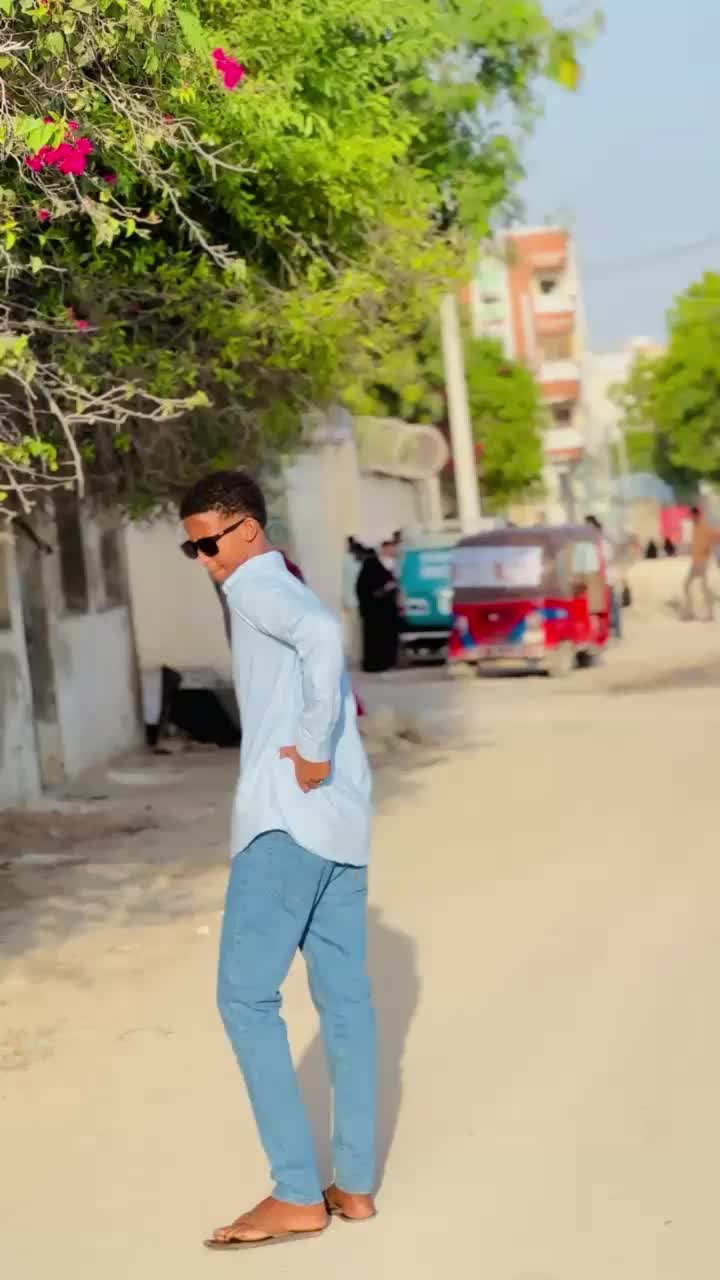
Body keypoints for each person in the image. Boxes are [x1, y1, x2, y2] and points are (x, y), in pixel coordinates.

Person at [179, 471, 377, 1249]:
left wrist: (312, 748)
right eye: (193, 548)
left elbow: (321, 635)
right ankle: (353, 1185)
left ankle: (297, 1192)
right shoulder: (274, 582)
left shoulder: (256, 586)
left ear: (249, 530)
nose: (205, 560)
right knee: (347, 1005)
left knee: (245, 999)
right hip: (340, 828)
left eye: (210, 543)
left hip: (286, 825)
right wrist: (323, 755)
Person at [355, 541, 400, 674]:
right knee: (374, 639)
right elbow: (364, 588)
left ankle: (385, 662)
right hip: (374, 610)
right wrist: (381, 591)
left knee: (385, 637)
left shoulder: (390, 565)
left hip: (384, 610)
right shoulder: (372, 565)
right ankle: (375, 663)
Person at [586, 515, 622, 638]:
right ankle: (604, 631)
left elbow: (608, 560)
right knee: (601, 607)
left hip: (607, 578)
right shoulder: (591, 544)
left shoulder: (603, 543)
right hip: (597, 580)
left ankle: (615, 630)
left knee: (611, 603)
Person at [684, 505, 720, 620]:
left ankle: (709, 614)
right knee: (688, 586)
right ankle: (691, 612)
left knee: (702, 587)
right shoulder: (695, 527)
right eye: (691, 516)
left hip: (702, 562)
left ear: (697, 515)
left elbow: (716, 536)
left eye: (692, 515)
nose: (691, 518)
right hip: (696, 562)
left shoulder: (703, 526)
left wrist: (707, 547)